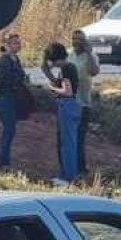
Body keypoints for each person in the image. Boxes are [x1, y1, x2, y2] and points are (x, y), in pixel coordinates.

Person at [42, 41, 82, 185]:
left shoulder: (65, 68)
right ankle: (67, 173)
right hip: (72, 105)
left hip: (68, 105)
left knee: (67, 143)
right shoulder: (69, 67)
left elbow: (67, 91)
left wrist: (51, 89)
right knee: (67, 142)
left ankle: (68, 177)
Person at [0, 32, 28, 168]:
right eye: (14, 43)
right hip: (5, 97)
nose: (17, 45)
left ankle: (5, 159)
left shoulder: (15, 59)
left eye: (18, 43)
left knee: (10, 130)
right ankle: (3, 162)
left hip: (13, 98)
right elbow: (1, 80)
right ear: (7, 45)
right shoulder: (3, 61)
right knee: (8, 130)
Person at [69, 29, 101, 173]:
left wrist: (89, 53)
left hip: (83, 103)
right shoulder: (69, 55)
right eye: (74, 39)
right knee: (70, 137)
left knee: (80, 138)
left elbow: (94, 71)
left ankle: (80, 168)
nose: (76, 42)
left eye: (80, 39)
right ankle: (72, 166)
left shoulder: (90, 56)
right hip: (69, 102)